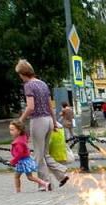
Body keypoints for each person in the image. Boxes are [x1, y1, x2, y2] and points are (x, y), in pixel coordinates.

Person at [15, 59, 69, 189]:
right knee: (45, 153)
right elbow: (50, 105)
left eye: (19, 74)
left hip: (38, 120)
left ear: (22, 73)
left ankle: (45, 184)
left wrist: (20, 120)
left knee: (38, 155)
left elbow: (30, 107)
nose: (20, 77)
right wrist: (54, 122)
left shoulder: (28, 85)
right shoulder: (43, 84)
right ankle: (61, 174)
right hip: (49, 120)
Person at [8, 120, 49, 193]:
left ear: (19, 131)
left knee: (17, 176)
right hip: (26, 160)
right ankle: (45, 183)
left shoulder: (18, 142)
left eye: (12, 130)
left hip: (22, 162)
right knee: (30, 177)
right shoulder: (23, 137)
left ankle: (18, 191)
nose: (10, 132)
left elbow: (19, 154)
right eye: (10, 130)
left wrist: (13, 161)